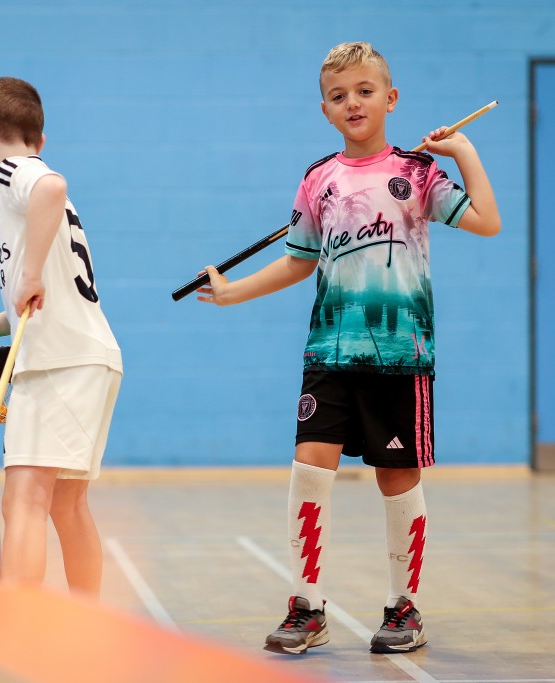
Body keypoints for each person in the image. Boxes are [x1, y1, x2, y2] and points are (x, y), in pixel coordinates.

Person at [196, 42, 500, 655]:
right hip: (328, 352)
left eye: (365, 91)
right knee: (310, 466)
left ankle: (403, 606)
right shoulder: (319, 179)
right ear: (325, 110)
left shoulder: (418, 173)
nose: (353, 103)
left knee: (396, 477)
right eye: (339, 96)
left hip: (400, 354)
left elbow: (487, 221)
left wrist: (464, 152)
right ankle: (306, 607)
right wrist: (232, 293)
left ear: (391, 98)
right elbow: (298, 261)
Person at [0, 77, 123, 599]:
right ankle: (84, 623)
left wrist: (31, 270)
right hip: (83, 356)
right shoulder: (21, 194)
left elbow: (51, 188)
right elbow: (33, 299)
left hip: (60, 364)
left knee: (24, 502)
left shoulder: (15, 172)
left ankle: (18, 630)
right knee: (65, 505)